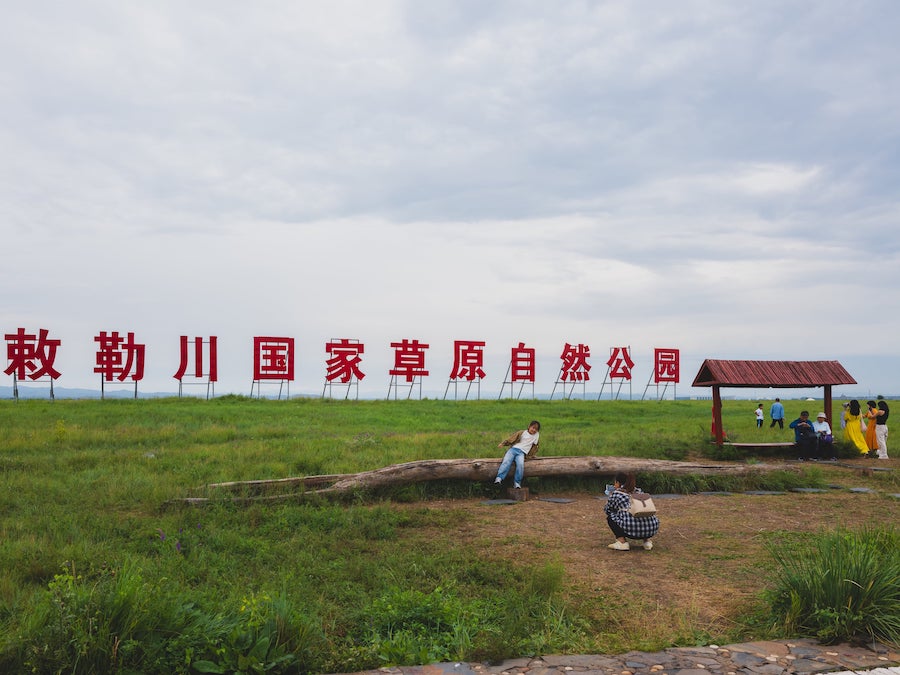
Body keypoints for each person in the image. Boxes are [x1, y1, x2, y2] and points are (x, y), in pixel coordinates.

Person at [604, 472, 659, 551]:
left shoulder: (617, 494)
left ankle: (622, 542)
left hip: (632, 531)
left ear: (617, 483)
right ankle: (647, 542)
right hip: (651, 529)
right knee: (642, 514)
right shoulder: (640, 492)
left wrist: (610, 498)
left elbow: (607, 510)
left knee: (611, 517)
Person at [494, 420, 541, 489]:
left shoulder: (536, 436)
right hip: (513, 450)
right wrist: (503, 443)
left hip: (521, 453)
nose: (534, 430)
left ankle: (517, 483)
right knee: (506, 461)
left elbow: (535, 447)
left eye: (536, 429)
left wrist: (531, 455)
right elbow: (512, 439)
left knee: (520, 465)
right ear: (529, 426)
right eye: (533, 428)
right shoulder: (522, 433)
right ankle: (499, 478)